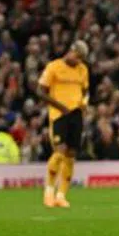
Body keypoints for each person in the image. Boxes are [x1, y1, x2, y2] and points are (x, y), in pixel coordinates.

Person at [38, 41, 89, 209]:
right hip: (59, 115)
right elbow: (40, 91)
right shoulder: (54, 67)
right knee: (59, 152)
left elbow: (85, 91)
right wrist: (60, 107)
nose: (78, 61)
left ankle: (61, 195)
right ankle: (48, 193)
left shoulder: (82, 69)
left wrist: (84, 102)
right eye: (78, 56)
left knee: (71, 154)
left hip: (76, 114)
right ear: (71, 51)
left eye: (81, 58)